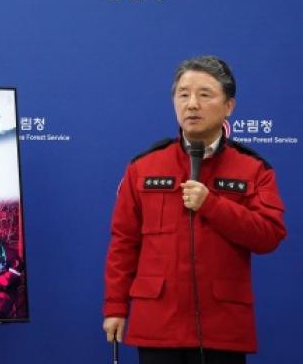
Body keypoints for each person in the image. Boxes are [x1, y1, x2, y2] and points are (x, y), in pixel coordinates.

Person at [103, 56, 286, 363]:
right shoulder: (143, 167)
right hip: (158, 325)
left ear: (228, 106)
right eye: (183, 94)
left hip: (222, 328)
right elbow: (124, 242)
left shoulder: (254, 169)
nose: (192, 104)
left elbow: (269, 235)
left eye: (204, 94)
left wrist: (212, 205)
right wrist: (115, 307)